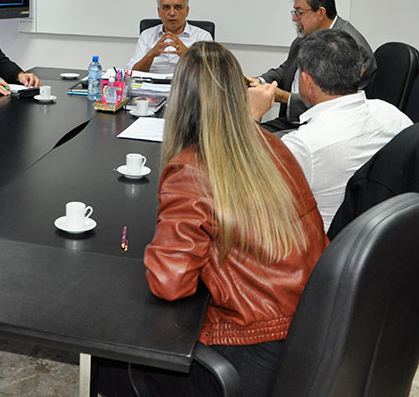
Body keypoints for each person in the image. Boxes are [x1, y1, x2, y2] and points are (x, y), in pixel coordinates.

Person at [95, 41, 328, 397]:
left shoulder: (191, 169)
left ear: (181, 101)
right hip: (304, 333)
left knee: (110, 359)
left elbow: (170, 284)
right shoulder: (274, 144)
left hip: (246, 351)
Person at [249, 29, 411, 232]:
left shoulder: (303, 146)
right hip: (385, 242)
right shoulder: (394, 116)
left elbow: (249, 196)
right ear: (360, 72)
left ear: (306, 81)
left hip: (323, 252)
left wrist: (252, 115)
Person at [252, 0, 376, 132]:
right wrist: (259, 81)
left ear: (320, 13)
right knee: (242, 135)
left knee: (252, 145)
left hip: (324, 127)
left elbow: (338, 104)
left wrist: (283, 97)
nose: (294, 19)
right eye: (294, 12)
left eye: (300, 12)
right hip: (292, 120)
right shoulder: (305, 38)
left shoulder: (352, 49)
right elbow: (286, 69)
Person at [125, 0, 212, 75]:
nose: (172, 13)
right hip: (151, 87)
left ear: (187, 11)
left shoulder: (202, 37)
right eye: (166, 8)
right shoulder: (147, 35)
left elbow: (210, 73)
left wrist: (187, 55)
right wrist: (151, 54)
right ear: (159, 12)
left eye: (178, 7)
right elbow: (131, 73)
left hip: (187, 87)